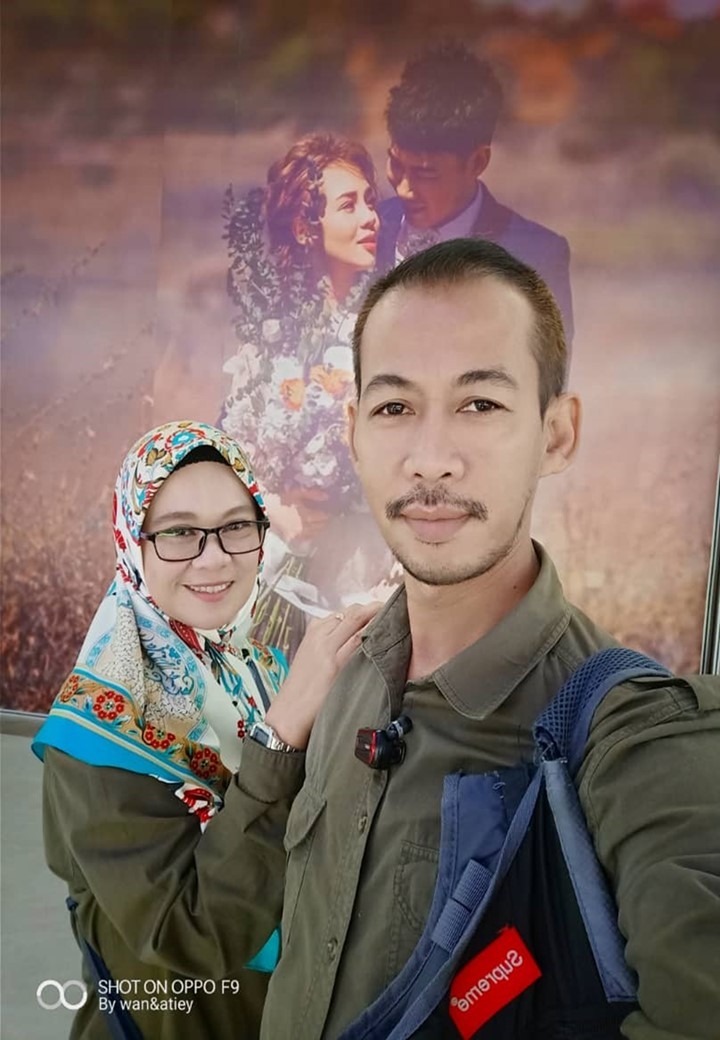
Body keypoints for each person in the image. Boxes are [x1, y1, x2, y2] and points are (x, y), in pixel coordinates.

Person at [224, 240, 719, 1038]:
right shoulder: (346, 669)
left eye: (480, 404)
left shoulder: (630, 734)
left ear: (556, 435)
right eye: (395, 408)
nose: (431, 460)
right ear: (354, 432)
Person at [31, 419, 376, 1040]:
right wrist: (280, 738)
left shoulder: (256, 667)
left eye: (236, 526)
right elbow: (191, 935)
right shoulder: (99, 733)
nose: (214, 558)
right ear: (133, 542)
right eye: (179, 532)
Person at [221, 133, 393, 652]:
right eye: (349, 205)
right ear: (304, 227)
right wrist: (277, 510)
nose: (371, 217)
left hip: (363, 560)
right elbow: (234, 449)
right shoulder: (268, 330)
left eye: (370, 202)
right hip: (281, 554)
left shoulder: (386, 325)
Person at [377, 41, 575, 347]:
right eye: (396, 164)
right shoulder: (365, 230)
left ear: (478, 162)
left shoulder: (536, 256)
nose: (403, 188)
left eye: (425, 174)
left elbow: (548, 373)